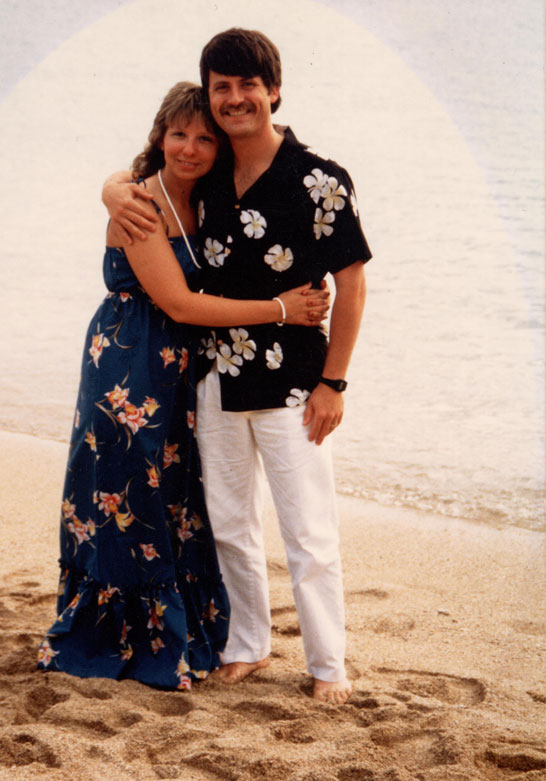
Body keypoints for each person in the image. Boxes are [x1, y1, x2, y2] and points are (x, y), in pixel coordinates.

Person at [103, 30, 371, 704]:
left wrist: (334, 382)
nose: (233, 99)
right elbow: (145, 182)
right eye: (221, 87)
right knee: (230, 521)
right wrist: (111, 188)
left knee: (307, 527)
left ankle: (329, 662)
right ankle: (249, 643)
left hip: (292, 384)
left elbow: (353, 286)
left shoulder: (320, 179)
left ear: (273, 90)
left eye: (247, 85)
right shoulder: (211, 173)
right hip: (215, 379)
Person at [37, 82, 329, 691]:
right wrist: (281, 308)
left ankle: (191, 629)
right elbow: (179, 302)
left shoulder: (213, 198)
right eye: (178, 135)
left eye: (203, 138)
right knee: (132, 495)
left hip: (186, 371)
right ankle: (124, 637)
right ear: (159, 136)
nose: (191, 148)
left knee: (179, 497)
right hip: (131, 365)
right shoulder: (141, 203)